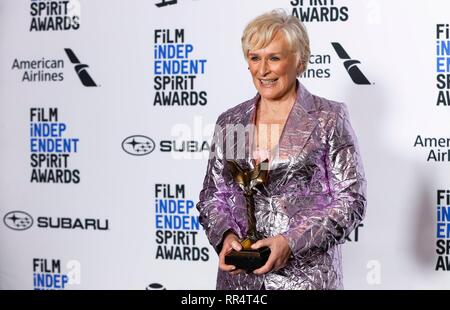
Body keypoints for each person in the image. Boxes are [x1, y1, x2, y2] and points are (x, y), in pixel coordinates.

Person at [196, 9, 367, 290]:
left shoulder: (329, 117)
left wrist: (290, 242)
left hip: (307, 280)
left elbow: (350, 201)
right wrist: (225, 237)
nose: (263, 70)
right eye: (255, 58)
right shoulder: (230, 121)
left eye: (274, 58)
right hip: (239, 283)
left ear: (299, 61)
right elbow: (213, 195)